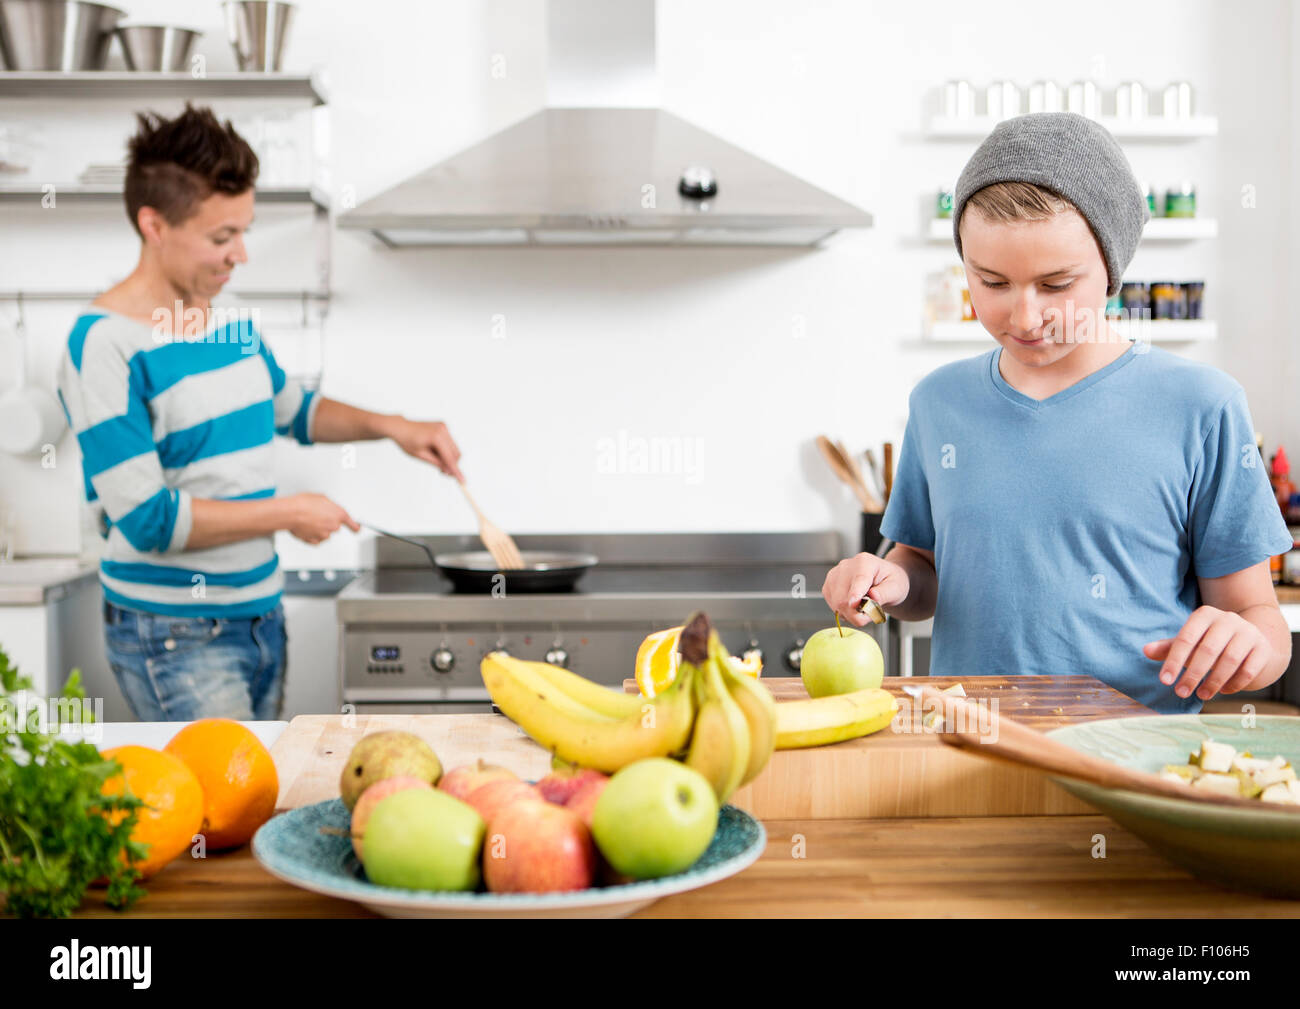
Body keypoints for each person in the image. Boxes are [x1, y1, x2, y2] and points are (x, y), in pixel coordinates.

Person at [822, 112, 1292, 713]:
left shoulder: (1202, 405)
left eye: (1056, 283)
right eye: (991, 282)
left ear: (1112, 270)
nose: (1023, 317)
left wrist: (1246, 645)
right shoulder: (938, 402)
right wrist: (886, 582)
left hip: (1133, 765)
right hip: (968, 751)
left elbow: (1259, 620)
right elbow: (924, 571)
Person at [56, 103, 465, 721]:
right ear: (154, 224)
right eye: (223, 237)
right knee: (219, 817)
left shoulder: (226, 322)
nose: (240, 255)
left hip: (259, 613)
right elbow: (147, 520)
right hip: (174, 632)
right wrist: (288, 514)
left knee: (259, 807)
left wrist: (393, 427)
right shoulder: (104, 345)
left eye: (244, 231)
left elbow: (291, 409)